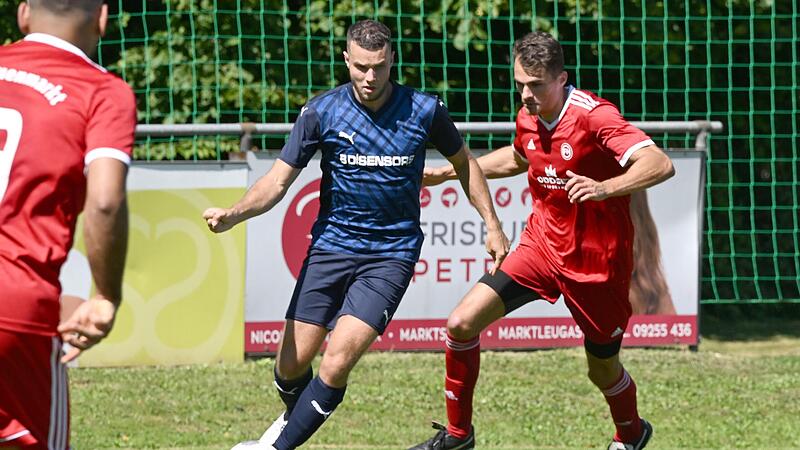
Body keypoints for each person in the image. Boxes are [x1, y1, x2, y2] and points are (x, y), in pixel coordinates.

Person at [203, 19, 509, 450]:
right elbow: (275, 182)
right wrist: (235, 213)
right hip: (330, 247)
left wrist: (492, 225)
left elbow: (465, 162)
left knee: (336, 361)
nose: (370, 77)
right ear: (347, 59)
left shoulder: (424, 109)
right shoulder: (321, 112)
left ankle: (275, 448)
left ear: (392, 61)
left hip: (390, 254)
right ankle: (297, 419)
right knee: (289, 368)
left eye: (379, 67)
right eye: (361, 66)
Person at [409, 31, 674, 450]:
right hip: (540, 248)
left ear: (561, 79)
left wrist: (606, 187)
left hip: (596, 264)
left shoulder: (593, 116)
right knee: (461, 323)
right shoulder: (527, 118)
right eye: (520, 84)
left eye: (536, 85)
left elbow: (659, 163)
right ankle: (458, 436)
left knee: (602, 371)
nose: (526, 94)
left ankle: (631, 433)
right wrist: (447, 172)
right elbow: (519, 156)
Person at [0, 1, 135, 448]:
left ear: (23, 14)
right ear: (102, 17)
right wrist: (106, 295)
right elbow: (104, 202)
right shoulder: (102, 92)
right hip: (14, 310)